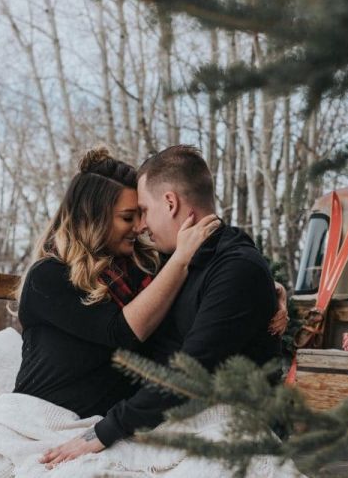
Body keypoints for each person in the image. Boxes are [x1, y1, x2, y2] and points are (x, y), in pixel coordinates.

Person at [41, 145, 283, 466]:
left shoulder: (237, 269)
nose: (141, 225)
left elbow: (188, 372)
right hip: (159, 415)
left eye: (144, 210)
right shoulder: (176, 260)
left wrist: (103, 433)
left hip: (226, 422)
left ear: (170, 203)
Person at [13, 147, 222, 419]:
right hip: (45, 417)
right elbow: (121, 333)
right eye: (127, 217)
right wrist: (180, 260)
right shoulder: (48, 277)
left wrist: (269, 290)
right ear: (92, 217)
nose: (140, 226)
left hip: (112, 422)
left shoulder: (143, 266)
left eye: (141, 214)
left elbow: (206, 285)